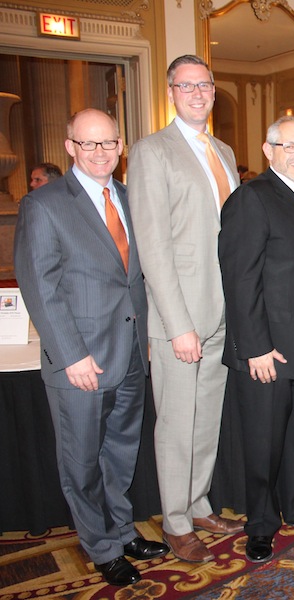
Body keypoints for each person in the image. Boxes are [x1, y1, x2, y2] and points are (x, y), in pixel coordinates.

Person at [14, 109, 168, 586]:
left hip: (130, 355)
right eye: (88, 143)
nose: (100, 152)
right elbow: (40, 287)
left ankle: (121, 532)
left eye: (108, 143)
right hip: (80, 361)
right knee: (81, 463)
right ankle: (101, 547)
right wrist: (71, 356)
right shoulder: (44, 204)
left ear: (121, 146)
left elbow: (134, 279)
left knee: (120, 455)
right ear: (70, 147)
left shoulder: (129, 197)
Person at [128, 54, 243, 563]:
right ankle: (175, 521)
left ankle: (198, 504)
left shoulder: (223, 151)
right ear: (171, 92)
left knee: (206, 419)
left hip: (221, 310)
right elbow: (153, 248)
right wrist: (177, 325)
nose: (198, 93)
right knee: (176, 423)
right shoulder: (151, 152)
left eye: (205, 85)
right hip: (180, 316)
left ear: (213, 91)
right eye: (186, 85)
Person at [219, 116, 294, 563]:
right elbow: (240, 279)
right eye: (290, 146)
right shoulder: (252, 198)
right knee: (264, 443)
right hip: (270, 351)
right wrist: (255, 348)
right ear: (269, 151)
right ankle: (262, 524)